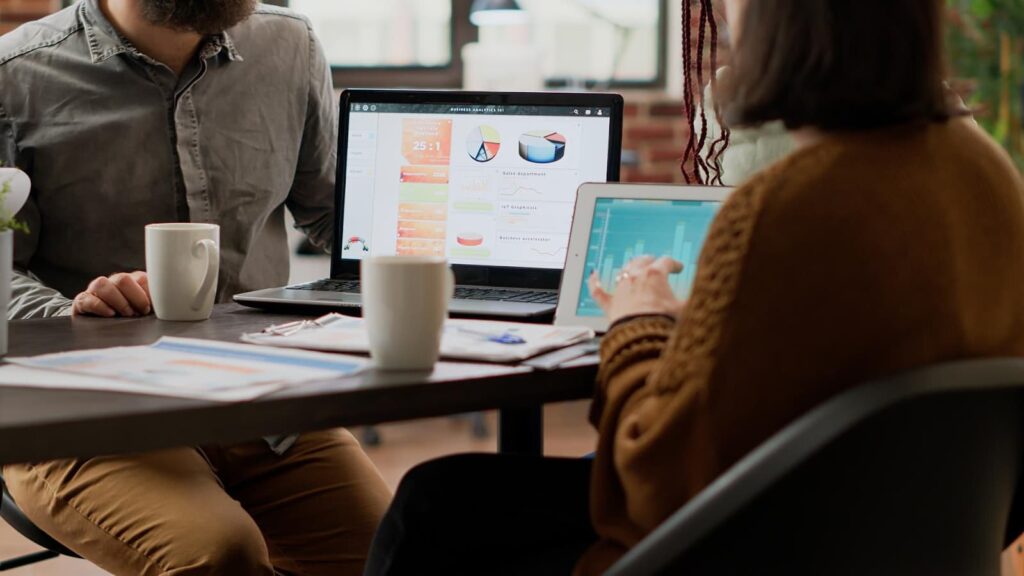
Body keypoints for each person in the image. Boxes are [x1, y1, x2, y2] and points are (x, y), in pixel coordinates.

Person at [364, 0, 1024, 575]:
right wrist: (712, 322)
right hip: (896, 539)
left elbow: (655, 481)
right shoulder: (991, 177)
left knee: (433, 510)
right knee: (446, 496)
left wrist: (637, 321)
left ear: (785, 23)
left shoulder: (786, 205)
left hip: (745, 550)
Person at [0, 1, 391, 574]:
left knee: (392, 553)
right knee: (219, 554)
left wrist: (488, 252)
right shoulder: (15, 74)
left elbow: (334, 218)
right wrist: (73, 313)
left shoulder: (290, 47)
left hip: (260, 405)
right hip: (81, 416)